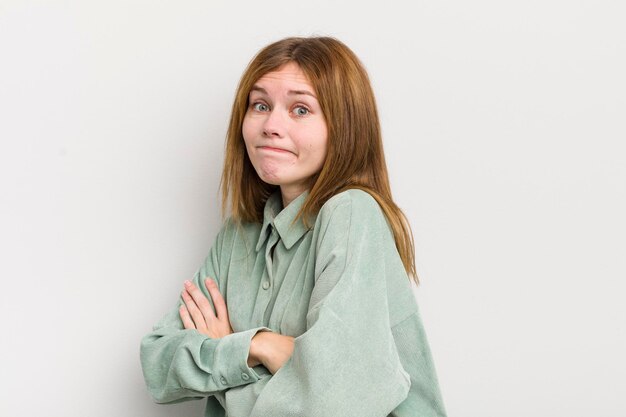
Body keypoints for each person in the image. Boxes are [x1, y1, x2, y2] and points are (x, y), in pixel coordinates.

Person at [140, 36, 447, 417]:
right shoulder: (239, 234)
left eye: (300, 109)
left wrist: (226, 362)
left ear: (344, 126)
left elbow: (333, 402)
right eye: (260, 105)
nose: (271, 125)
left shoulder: (352, 213)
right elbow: (157, 362)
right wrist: (259, 347)